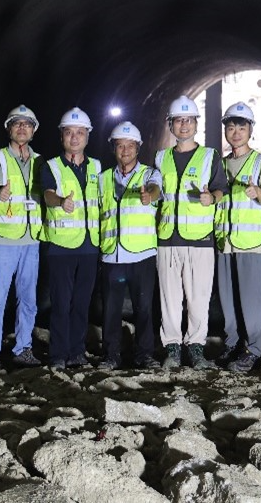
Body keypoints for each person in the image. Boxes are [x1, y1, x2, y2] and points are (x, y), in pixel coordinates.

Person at [155, 95, 227, 369]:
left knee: (198, 299)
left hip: (199, 240)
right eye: (178, 120)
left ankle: (196, 349)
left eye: (189, 120)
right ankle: (172, 349)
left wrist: (212, 197)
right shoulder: (161, 158)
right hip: (167, 239)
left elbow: (221, 188)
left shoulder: (210, 156)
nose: (184, 125)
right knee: (169, 299)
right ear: (170, 125)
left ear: (196, 124)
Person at [214, 102, 261, 372]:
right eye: (231, 127)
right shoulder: (220, 164)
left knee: (253, 301)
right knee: (228, 301)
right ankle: (232, 345)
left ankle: (253, 350)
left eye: (241, 127)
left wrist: (257, 193)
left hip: (251, 244)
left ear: (250, 130)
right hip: (225, 242)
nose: (236, 133)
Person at [0, 105, 44, 368]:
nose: (22, 128)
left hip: (31, 239)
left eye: (27, 124)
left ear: (33, 130)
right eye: (17, 123)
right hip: (4, 239)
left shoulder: (40, 161)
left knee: (28, 299)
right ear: (9, 129)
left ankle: (23, 347)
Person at [98, 121, 162, 370]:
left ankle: (145, 354)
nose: (125, 150)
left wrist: (149, 195)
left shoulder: (149, 174)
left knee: (144, 308)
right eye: (120, 145)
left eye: (130, 146)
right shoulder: (102, 179)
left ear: (138, 148)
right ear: (113, 148)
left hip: (141, 254)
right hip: (112, 254)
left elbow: (156, 190)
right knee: (111, 310)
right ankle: (111, 355)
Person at [42, 107, 101, 369]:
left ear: (87, 136)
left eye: (80, 132)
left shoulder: (97, 167)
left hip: (89, 246)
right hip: (61, 246)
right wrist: (60, 201)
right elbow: (47, 194)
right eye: (69, 132)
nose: (74, 138)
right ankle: (58, 354)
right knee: (61, 303)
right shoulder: (51, 166)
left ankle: (77, 352)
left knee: (82, 303)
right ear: (61, 136)